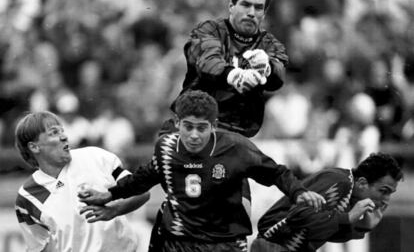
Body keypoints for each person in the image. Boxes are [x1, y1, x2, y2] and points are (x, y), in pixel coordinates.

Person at [79, 90, 325, 252]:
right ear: (177, 124)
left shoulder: (236, 148)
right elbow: (143, 178)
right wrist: (108, 196)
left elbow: (276, 172)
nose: (194, 135)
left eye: (201, 128)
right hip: (179, 241)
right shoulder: (166, 148)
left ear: (214, 126)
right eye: (188, 127)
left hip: (224, 242)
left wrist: (298, 192)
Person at [162, 0, 288, 138]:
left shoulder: (270, 44)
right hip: (193, 128)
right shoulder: (209, 29)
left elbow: (279, 76)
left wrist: (268, 68)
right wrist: (234, 75)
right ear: (231, 6)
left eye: (258, 8)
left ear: (263, 14)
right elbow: (207, 61)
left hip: (238, 136)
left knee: (270, 163)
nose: (251, 13)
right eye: (245, 4)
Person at [14, 111, 150, 252]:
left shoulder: (95, 157)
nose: (64, 136)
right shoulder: (27, 197)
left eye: (62, 131)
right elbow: (39, 248)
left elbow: (143, 192)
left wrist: (114, 210)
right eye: (54, 132)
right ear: (34, 147)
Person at [251, 152, 403, 252]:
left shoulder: (350, 193)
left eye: (390, 193)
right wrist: (347, 218)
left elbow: (320, 233)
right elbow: (299, 216)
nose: (386, 200)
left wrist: (362, 226)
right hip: (273, 246)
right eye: (384, 191)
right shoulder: (339, 181)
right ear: (362, 183)